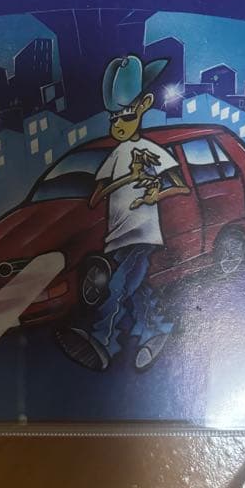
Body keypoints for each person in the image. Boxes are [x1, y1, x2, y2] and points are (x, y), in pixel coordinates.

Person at [57, 54, 190, 372]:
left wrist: (157, 192)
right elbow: (96, 196)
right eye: (113, 118)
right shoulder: (117, 154)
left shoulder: (152, 151)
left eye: (125, 116)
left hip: (142, 232)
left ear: (144, 106)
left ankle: (102, 340)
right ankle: (155, 329)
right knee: (136, 286)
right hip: (118, 234)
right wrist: (128, 178)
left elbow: (181, 186)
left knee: (117, 286)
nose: (117, 124)